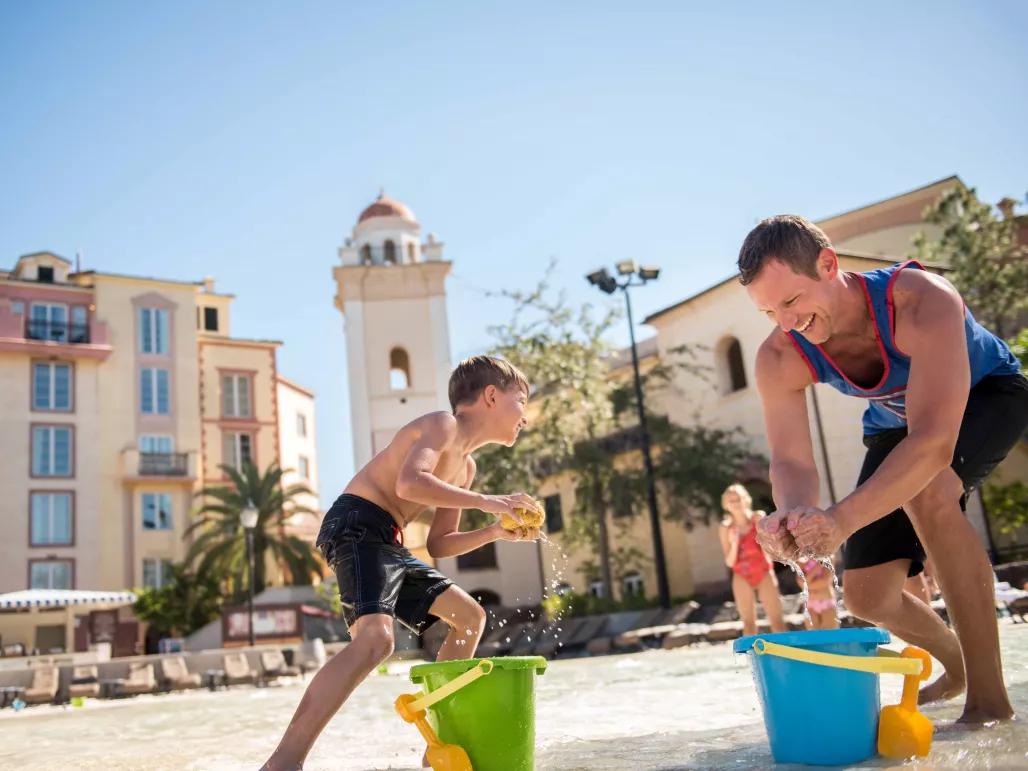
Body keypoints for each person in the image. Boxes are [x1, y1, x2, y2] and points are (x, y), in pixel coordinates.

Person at [738, 214, 1027, 722]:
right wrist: (795, 514)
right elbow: (790, 459)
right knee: (868, 595)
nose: (786, 322)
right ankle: (957, 663)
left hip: (988, 394)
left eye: (791, 301)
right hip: (895, 422)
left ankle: (989, 701)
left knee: (930, 491)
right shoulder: (780, 355)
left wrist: (843, 520)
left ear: (829, 265)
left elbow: (934, 442)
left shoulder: (920, 300)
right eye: (767, 311)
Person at [261, 355, 542, 770]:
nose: (525, 417)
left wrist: (494, 531)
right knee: (376, 641)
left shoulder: (466, 467)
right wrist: (490, 502)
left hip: (388, 540)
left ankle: (437, 753)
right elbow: (409, 483)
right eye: (521, 401)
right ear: (491, 396)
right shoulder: (441, 425)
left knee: (469, 617)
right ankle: (283, 763)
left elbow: (441, 544)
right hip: (356, 522)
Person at [718, 483, 786, 637]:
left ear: (746, 500)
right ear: (726, 505)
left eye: (738, 499)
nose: (736, 503)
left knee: (777, 621)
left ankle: (784, 657)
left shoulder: (758, 517)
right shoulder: (725, 527)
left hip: (763, 569)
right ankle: (752, 659)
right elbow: (729, 562)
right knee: (748, 623)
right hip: (741, 574)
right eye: (731, 501)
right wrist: (735, 541)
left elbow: (769, 549)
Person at [800, 558, 838, 630]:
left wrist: (808, 580)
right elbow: (800, 582)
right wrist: (819, 565)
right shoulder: (802, 558)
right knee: (813, 638)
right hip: (810, 604)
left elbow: (825, 582)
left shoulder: (828, 556)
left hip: (826, 602)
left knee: (832, 637)